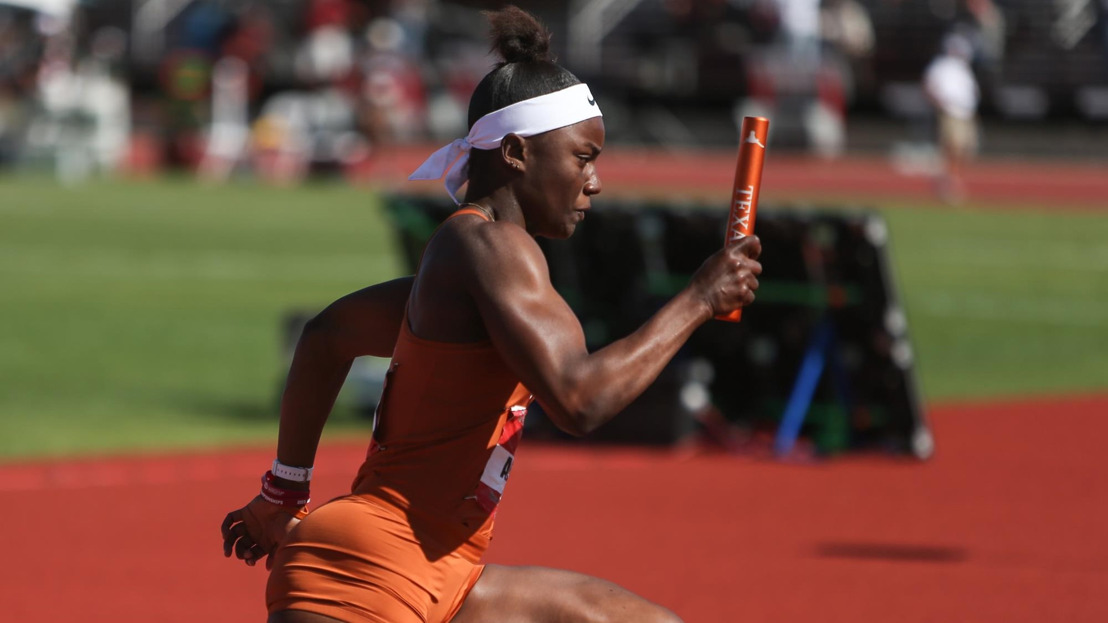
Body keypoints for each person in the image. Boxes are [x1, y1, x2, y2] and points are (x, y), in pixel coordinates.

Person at [221, 6, 762, 623]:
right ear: (515, 152)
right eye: (583, 158)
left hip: (441, 569)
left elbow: (327, 336)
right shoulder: (491, 247)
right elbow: (579, 400)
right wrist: (698, 299)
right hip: (370, 575)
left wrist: (284, 489)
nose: (595, 182)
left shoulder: (464, 267)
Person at [922, 32, 980, 203]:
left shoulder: (963, 68)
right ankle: (949, 185)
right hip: (950, 112)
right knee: (952, 149)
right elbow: (929, 86)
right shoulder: (941, 66)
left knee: (965, 150)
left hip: (966, 114)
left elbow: (971, 92)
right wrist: (940, 104)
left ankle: (952, 180)